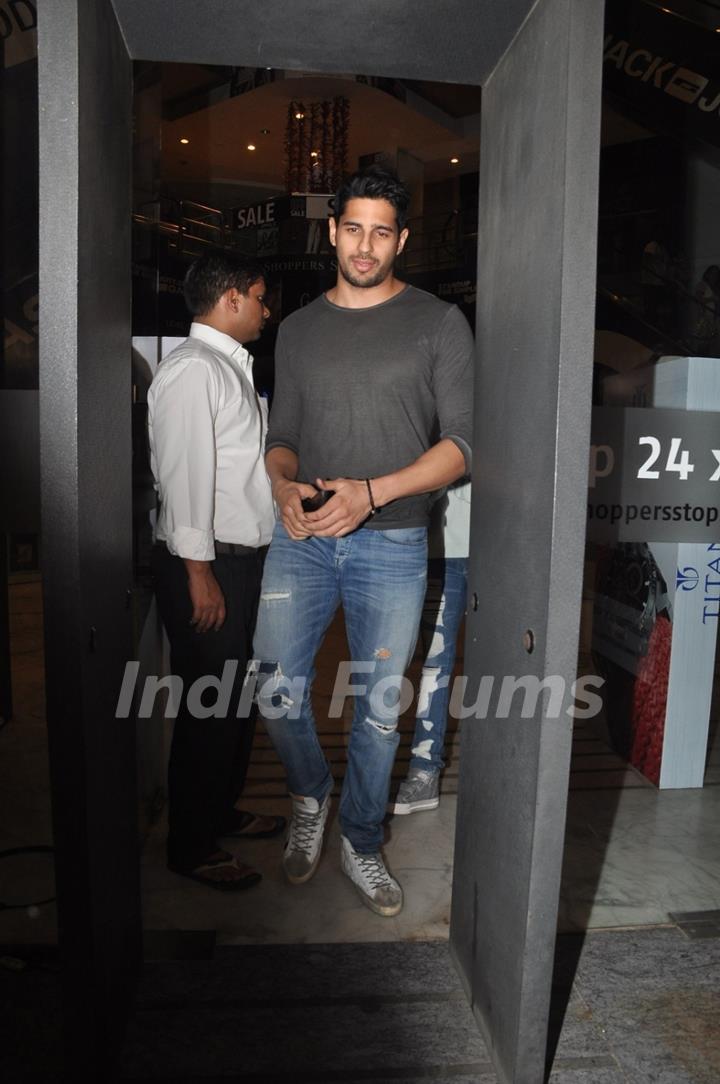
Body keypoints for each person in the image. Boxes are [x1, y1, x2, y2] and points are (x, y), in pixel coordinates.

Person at [249, 165, 474, 917]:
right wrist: (283, 486)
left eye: (382, 231)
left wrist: (371, 493)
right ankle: (310, 792)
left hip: (395, 542)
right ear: (333, 231)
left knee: (380, 707)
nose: (366, 244)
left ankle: (361, 836)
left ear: (402, 238)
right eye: (354, 228)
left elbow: (464, 447)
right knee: (274, 687)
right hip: (304, 535)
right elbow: (282, 439)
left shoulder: (439, 323)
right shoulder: (298, 328)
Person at [148, 252, 284, 891]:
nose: (266, 309)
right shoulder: (192, 371)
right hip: (208, 567)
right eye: (260, 297)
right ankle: (191, 845)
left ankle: (217, 811)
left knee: (233, 702)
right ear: (231, 298)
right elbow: (184, 479)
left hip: (237, 562)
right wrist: (198, 571)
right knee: (209, 706)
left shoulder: (227, 368)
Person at [392, 478, 470, 814]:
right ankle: (424, 771)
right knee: (434, 668)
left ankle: (513, 770)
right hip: (441, 551)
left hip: (505, 552)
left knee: (510, 664)